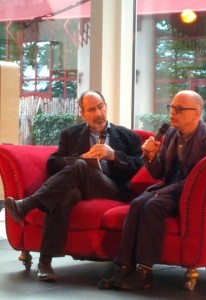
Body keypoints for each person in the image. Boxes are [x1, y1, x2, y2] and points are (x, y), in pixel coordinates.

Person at [4, 90, 143, 282]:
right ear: (83, 113)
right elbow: (53, 163)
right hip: (77, 187)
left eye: (101, 107)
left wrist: (114, 156)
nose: (98, 113)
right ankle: (45, 263)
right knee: (64, 196)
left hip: (110, 189)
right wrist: (82, 159)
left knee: (78, 165)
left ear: (106, 106)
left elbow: (140, 167)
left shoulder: (128, 136)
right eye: (91, 110)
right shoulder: (70, 134)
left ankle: (28, 204)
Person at [98, 90, 206, 291]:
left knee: (153, 205)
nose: (172, 112)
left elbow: (201, 180)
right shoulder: (172, 133)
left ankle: (145, 272)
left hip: (189, 194)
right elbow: (158, 173)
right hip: (167, 189)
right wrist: (150, 156)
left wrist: (163, 191)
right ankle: (124, 267)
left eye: (179, 109)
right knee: (138, 203)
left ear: (197, 114)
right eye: (172, 107)